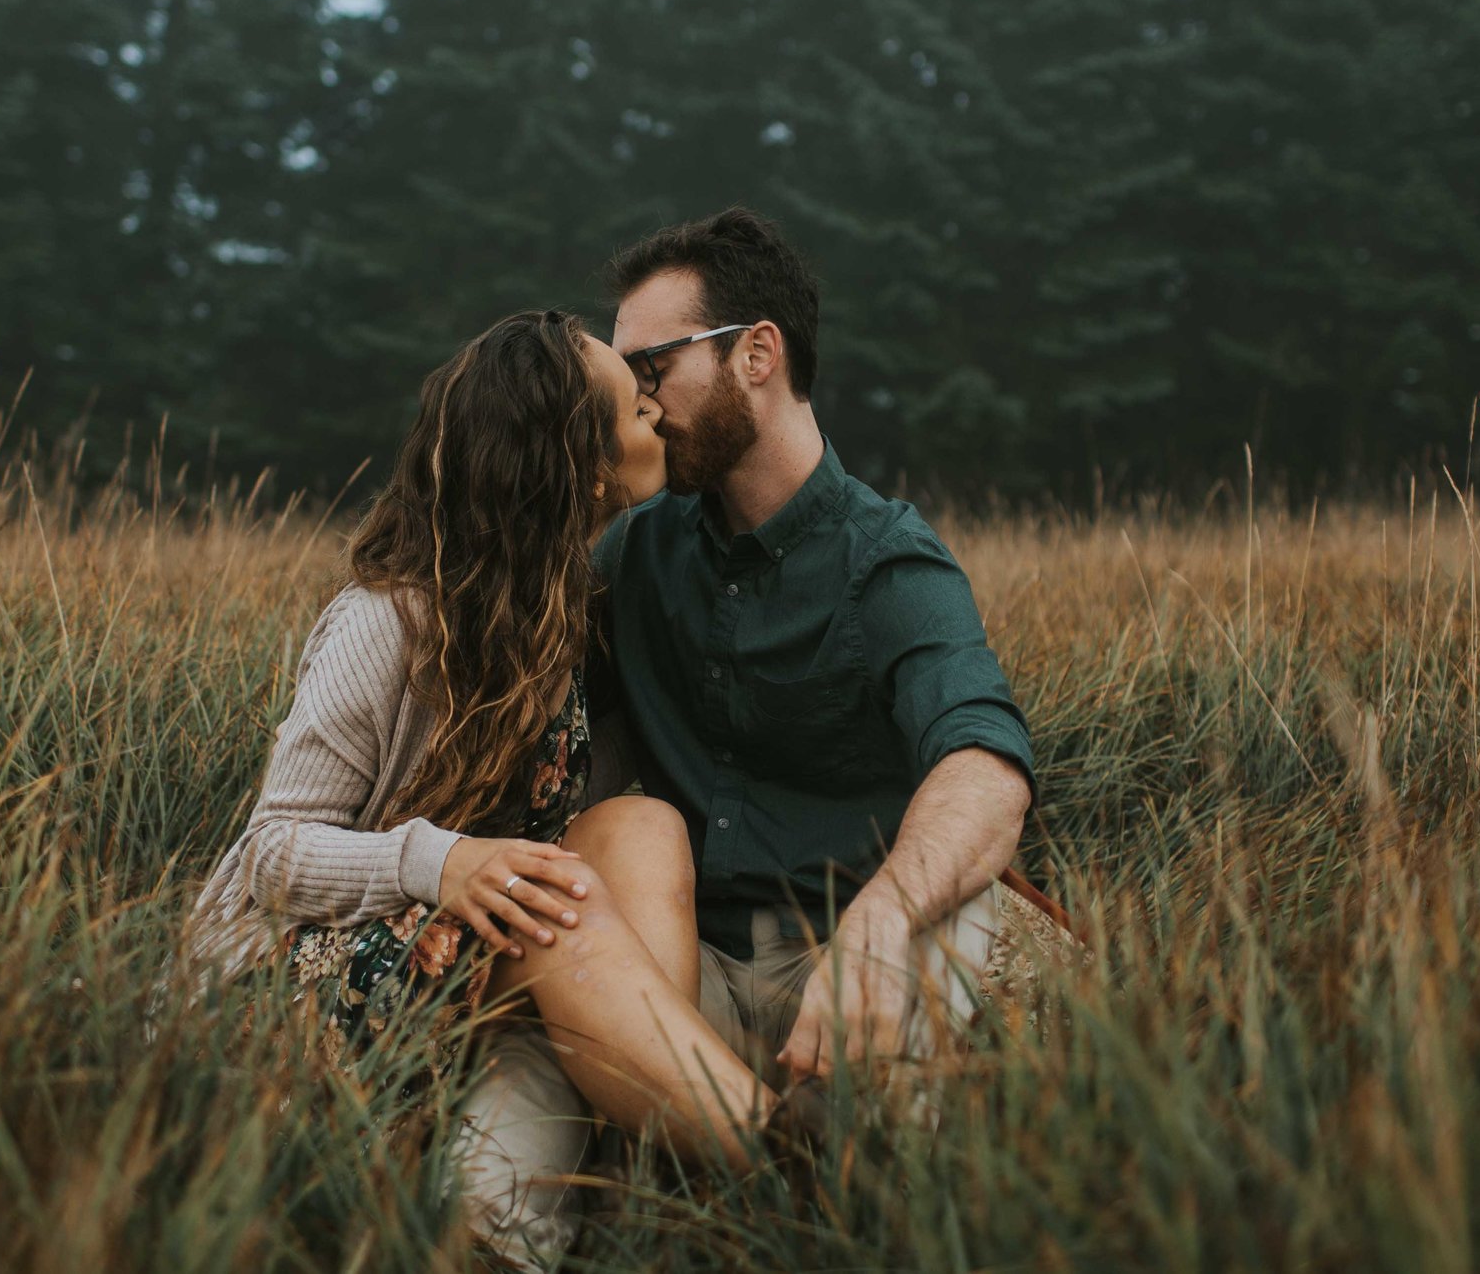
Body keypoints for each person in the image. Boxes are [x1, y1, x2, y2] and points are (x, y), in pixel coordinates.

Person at [453, 210, 1041, 1270]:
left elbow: (985, 768)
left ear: (755, 355)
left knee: (923, 1086)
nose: (631, 399)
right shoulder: (630, 550)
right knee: (485, 1177)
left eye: (653, 365)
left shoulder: (889, 559)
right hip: (685, 969)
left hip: (854, 950)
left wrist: (876, 927)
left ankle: (861, 1210)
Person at [176, 310, 805, 1170]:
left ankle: (648, 1172)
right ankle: (786, 1161)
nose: (656, 412)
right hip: (278, 983)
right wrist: (440, 863)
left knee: (643, 827)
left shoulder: (564, 614)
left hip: (454, 942)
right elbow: (272, 853)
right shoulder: (388, 619)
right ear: (580, 470)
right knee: (555, 915)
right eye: (632, 409)